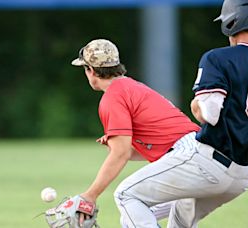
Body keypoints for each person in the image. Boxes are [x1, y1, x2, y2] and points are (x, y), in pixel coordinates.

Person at [114, 0, 248, 227]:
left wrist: (195, 105)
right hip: (243, 177)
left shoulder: (218, 58)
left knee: (127, 195)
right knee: (180, 218)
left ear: (232, 22)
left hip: (207, 162)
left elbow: (208, 114)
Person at [69, 38, 200, 227]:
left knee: (125, 195)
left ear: (91, 70)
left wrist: (90, 195)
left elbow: (120, 154)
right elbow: (132, 150)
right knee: (134, 215)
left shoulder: (113, 96)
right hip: (197, 153)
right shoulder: (131, 86)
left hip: (186, 155)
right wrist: (124, 149)